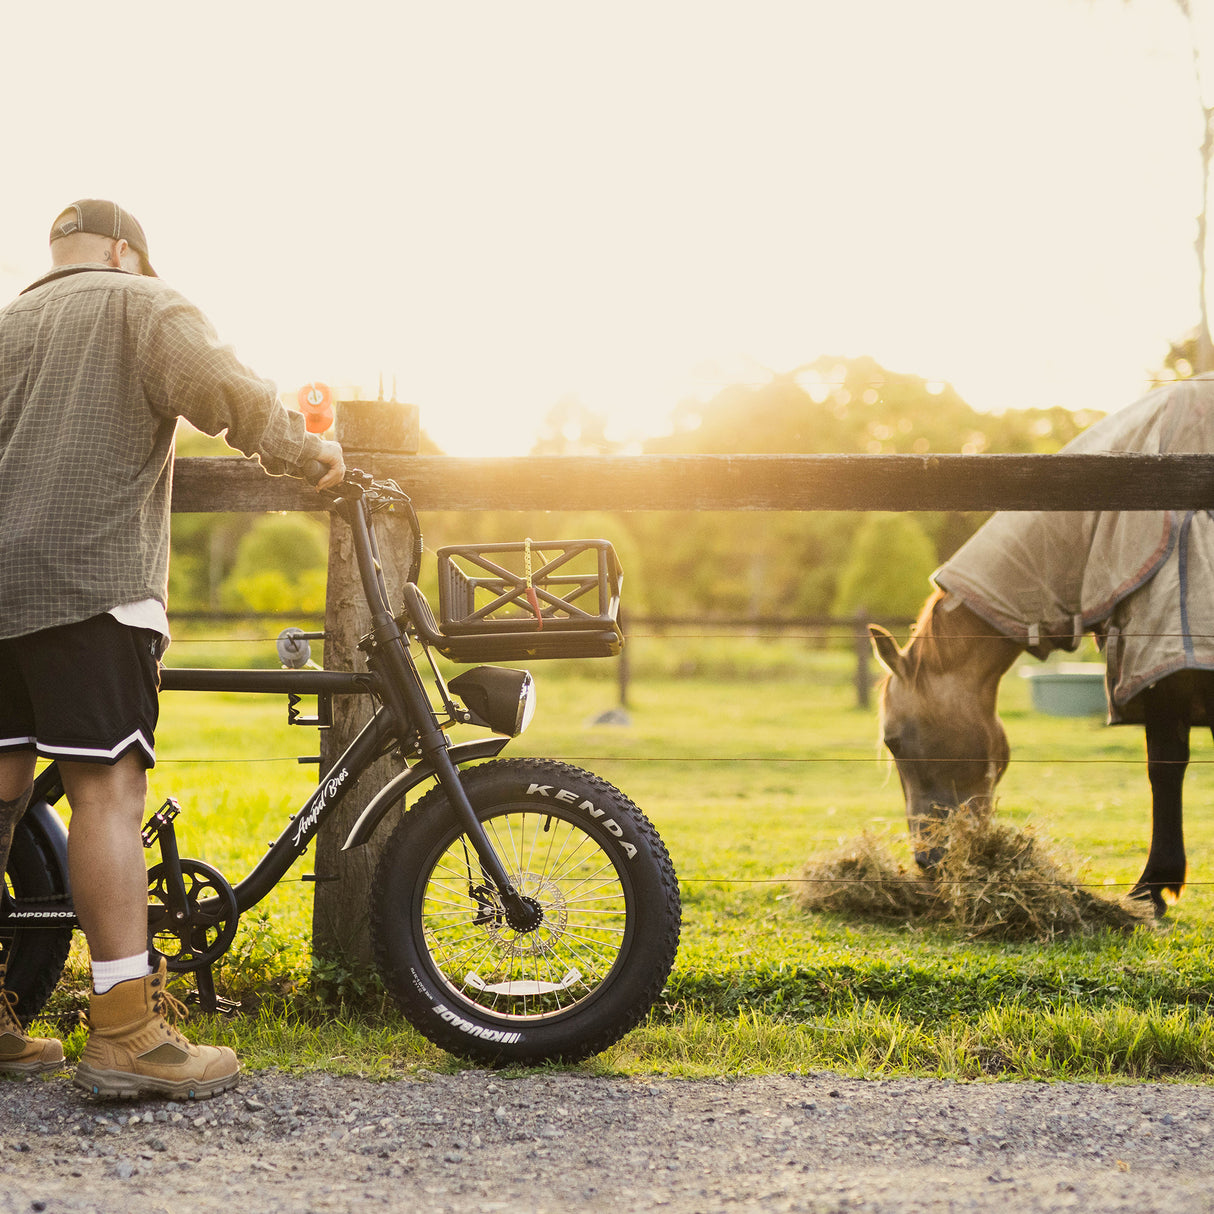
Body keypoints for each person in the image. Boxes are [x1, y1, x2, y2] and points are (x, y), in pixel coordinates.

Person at [0, 199, 344, 1099]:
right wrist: (312, 452)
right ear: (126, 251)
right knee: (105, 794)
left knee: (0, 794)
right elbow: (230, 394)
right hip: (89, 584)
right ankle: (126, 1033)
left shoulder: (7, 325)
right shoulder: (143, 303)